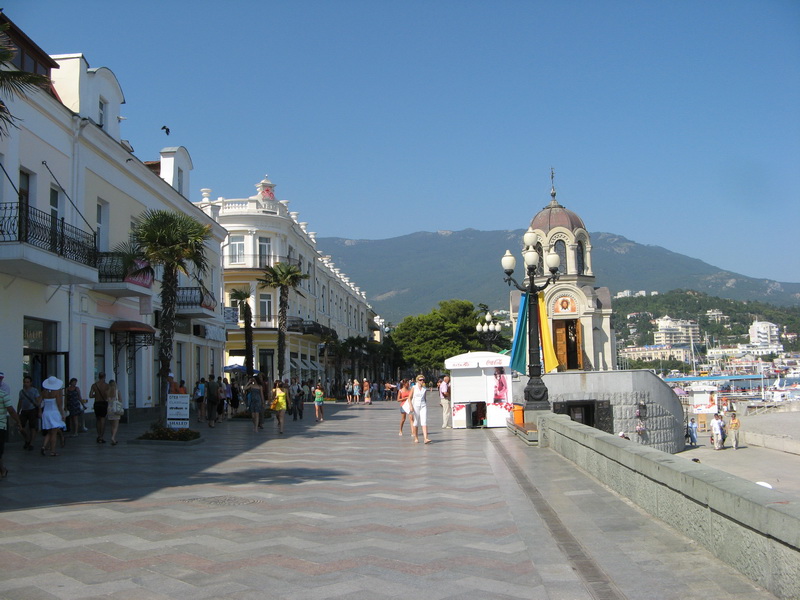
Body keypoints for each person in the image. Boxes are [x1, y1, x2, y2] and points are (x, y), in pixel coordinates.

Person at [1, 373, 24, 478]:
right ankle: (2, 469)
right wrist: (18, 422)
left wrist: (18, 421)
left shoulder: (4, 394)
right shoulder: (3, 395)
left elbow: (11, 411)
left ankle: (2, 470)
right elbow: (11, 410)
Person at [39, 376, 66, 456]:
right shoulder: (57, 392)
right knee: (54, 433)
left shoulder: (44, 392)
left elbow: (39, 403)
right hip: (54, 412)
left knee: (49, 432)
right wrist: (62, 414)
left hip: (46, 412)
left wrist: (40, 412)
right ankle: (52, 451)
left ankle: (44, 446)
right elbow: (59, 404)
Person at [17, 375, 41, 450]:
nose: (26, 384)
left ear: (30, 383)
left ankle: (31, 443)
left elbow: (38, 402)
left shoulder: (34, 390)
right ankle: (27, 439)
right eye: (25, 382)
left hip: (32, 410)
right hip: (24, 410)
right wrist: (18, 412)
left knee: (32, 427)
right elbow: (20, 402)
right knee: (21, 427)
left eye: (27, 382)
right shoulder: (21, 392)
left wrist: (39, 411)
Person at [89, 372, 110, 444]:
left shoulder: (94, 385)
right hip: (104, 403)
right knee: (103, 419)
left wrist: (96, 395)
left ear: (98, 377)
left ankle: (98, 435)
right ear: (104, 377)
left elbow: (90, 395)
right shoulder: (107, 386)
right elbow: (108, 395)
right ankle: (101, 436)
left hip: (97, 403)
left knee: (98, 419)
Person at [410, 374, 431, 444]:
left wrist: (425, 404)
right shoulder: (414, 387)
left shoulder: (424, 389)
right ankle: (416, 437)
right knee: (416, 421)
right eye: (420, 380)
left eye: (423, 380)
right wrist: (411, 406)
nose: (422, 381)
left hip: (423, 405)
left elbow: (424, 398)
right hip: (416, 405)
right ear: (417, 380)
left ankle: (425, 438)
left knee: (424, 421)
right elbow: (409, 398)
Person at [106, 380, 124, 445]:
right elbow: (120, 400)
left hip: (109, 409)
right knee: (116, 426)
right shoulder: (117, 391)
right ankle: (113, 437)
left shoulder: (107, 392)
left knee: (112, 425)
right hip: (116, 409)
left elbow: (107, 400)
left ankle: (113, 439)